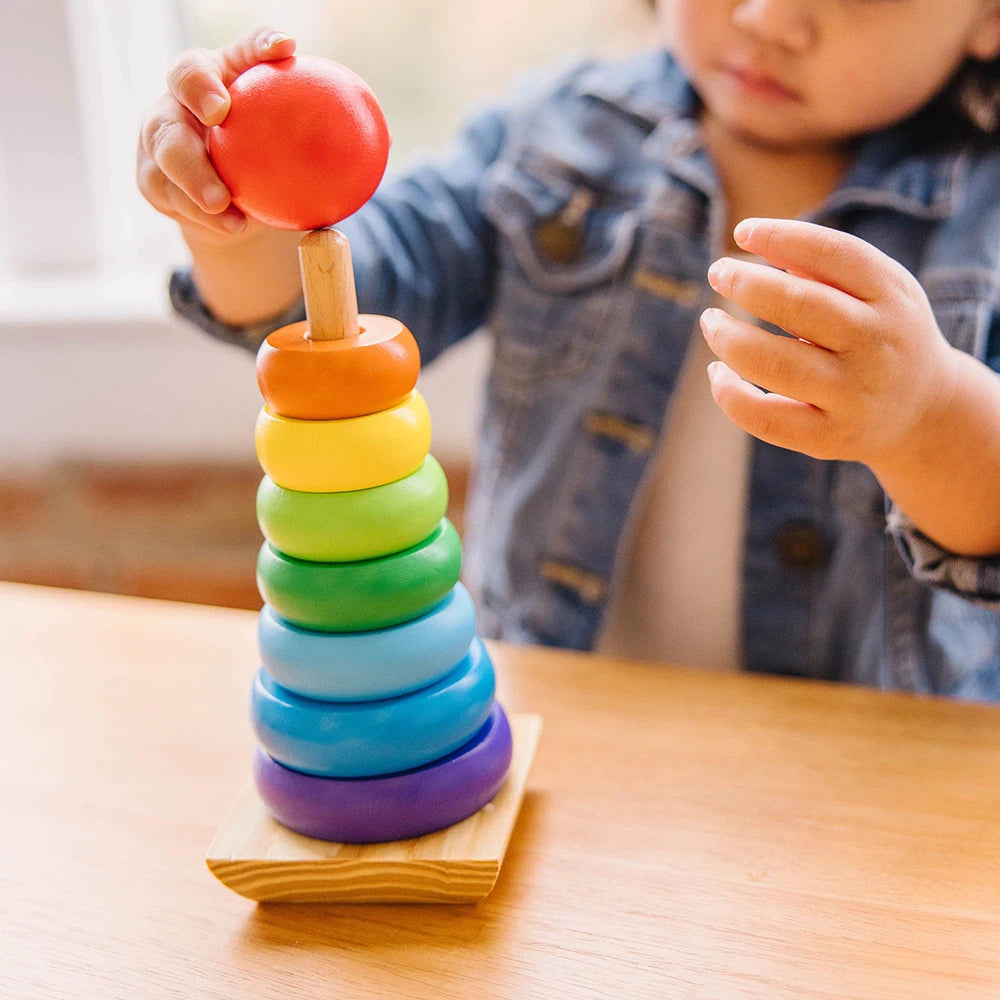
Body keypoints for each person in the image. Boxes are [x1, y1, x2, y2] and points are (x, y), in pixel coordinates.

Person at [137, 3, 1000, 698]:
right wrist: (227, 212)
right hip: (563, 723)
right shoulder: (554, 134)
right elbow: (335, 298)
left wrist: (926, 415)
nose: (771, 18)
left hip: (863, 773)